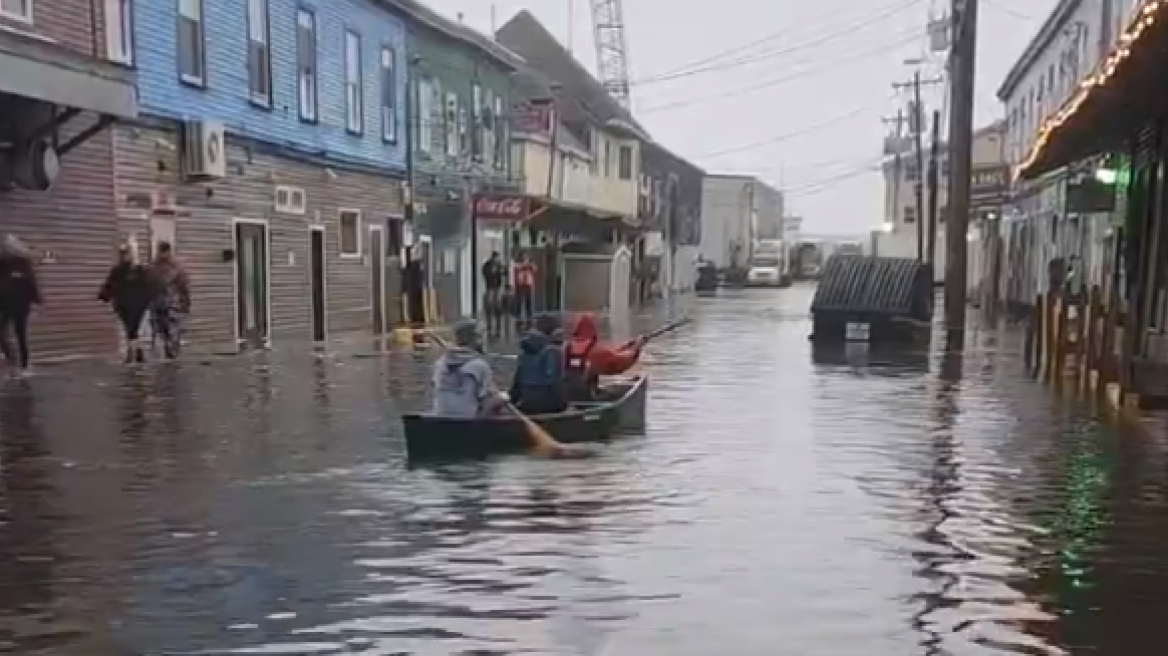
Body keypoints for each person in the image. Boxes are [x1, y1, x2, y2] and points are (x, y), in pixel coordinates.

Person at [432, 319, 507, 418]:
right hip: (467, 422)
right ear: (476, 339)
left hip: (440, 418)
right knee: (500, 398)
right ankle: (480, 428)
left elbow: (435, 385)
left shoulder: (440, 362)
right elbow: (484, 399)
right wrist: (498, 398)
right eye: (480, 336)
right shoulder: (479, 365)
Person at [563, 313, 645, 401]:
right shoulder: (595, 350)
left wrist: (626, 347)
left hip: (567, 396)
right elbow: (619, 363)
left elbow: (610, 355)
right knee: (616, 392)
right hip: (588, 398)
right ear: (593, 330)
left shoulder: (565, 348)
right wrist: (637, 348)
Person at [99, 243, 154, 363]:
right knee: (130, 329)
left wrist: (149, 300)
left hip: (138, 305)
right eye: (122, 254)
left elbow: (148, 286)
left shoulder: (140, 270)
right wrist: (104, 296)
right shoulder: (118, 270)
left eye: (126, 254)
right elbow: (109, 285)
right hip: (124, 305)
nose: (124, 256)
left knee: (133, 328)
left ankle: (133, 352)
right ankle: (136, 351)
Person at [509, 312, 568, 414]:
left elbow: (516, 382)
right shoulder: (553, 351)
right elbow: (554, 382)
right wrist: (565, 404)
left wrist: (513, 402)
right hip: (548, 404)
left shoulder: (524, 351)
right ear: (552, 331)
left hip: (526, 402)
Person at [0, 235, 41, 377]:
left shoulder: (24, 264)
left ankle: (24, 364)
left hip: (20, 306)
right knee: (2, 332)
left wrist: (38, 302)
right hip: (4, 304)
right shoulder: (2, 264)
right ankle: (11, 360)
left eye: (10, 245)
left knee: (20, 335)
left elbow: (32, 284)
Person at [148, 241, 190, 360]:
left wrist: (186, 302)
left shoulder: (175, 267)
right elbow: (148, 284)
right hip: (159, 303)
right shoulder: (154, 266)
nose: (160, 254)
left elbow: (183, 286)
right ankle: (169, 350)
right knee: (162, 329)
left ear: (167, 251)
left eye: (162, 251)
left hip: (172, 303)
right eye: (159, 251)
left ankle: (172, 351)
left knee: (172, 328)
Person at [481, 251, 506, 335]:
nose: (496, 259)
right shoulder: (487, 265)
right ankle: (489, 326)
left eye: (497, 258)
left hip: (498, 288)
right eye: (494, 257)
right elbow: (484, 273)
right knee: (488, 306)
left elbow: (506, 273)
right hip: (489, 287)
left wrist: (502, 271)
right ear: (492, 257)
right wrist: (491, 272)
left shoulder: (500, 265)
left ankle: (498, 326)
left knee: (497, 307)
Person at [512, 251, 536, 325]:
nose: (524, 258)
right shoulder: (517, 264)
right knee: (519, 301)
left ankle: (529, 317)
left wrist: (530, 265)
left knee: (529, 301)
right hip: (520, 285)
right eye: (522, 257)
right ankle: (518, 317)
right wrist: (524, 265)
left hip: (529, 284)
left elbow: (534, 269)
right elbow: (517, 268)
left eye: (525, 257)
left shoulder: (530, 263)